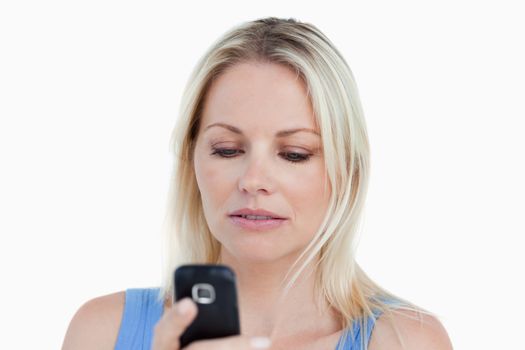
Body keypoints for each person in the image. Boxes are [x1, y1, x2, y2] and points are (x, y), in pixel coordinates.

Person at [62, 17, 453, 350]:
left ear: (347, 170)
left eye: (294, 153)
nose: (253, 181)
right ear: (191, 160)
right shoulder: (102, 332)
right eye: (228, 150)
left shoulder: (407, 340)